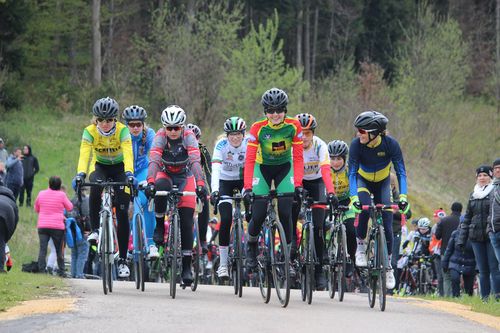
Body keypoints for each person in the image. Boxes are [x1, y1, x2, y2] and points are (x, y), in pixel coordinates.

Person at [243, 88, 304, 274]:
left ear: (285, 110)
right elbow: (250, 159)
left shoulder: (294, 125)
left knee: (286, 211)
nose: (275, 114)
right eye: (271, 110)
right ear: (265, 112)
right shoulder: (257, 128)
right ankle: (251, 247)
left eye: (279, 110)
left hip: (285, 167)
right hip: (262, 168)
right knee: (259, 212)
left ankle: (287, 258)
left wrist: (299, 184)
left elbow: (299, 157)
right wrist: (247, 187)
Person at [73, 97, 135, 278]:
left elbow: (128, 154)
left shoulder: (123, 131)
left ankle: (123, 259)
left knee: (123, 211)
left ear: (115, 119)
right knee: (95, 186)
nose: (105, 124)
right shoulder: (89, 132)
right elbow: (84, 155)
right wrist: (80, 174)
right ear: (96, 120)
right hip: (100, 167)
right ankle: (95, 230)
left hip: (120, 169)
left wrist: (130, 173)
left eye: (109, 120)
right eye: (101, 120)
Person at [348, 110, 409, 289]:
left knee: (388, 224)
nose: (358, 134)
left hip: (383, 182)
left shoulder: (391, 145)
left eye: (361, 131)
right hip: (362, 180)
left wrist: (404, 196)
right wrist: (353, 197)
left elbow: (401, 172)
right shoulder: (356, 145)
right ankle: (361, 247)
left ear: (374, 133)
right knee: (364, 207)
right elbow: (352, 172)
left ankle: (388, 266)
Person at [147, 105, 206, 286]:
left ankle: (187, 267)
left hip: (184, 176)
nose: (172, 132)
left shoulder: (189, 137)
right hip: (165, 173)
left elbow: (195, 161)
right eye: (169, 128)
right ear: (164, 127)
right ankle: (159, 226)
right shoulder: (159, 137)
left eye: (176, 128)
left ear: (183, 127)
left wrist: (201, 183)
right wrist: (150, 181)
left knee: (187, 220)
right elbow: (155, 160)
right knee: (159, 186)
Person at [290, 113, 337, 290]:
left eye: (308, 133)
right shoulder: (293, 145)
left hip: (317, 182)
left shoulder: (320, 146)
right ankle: (293, 244)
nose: (304, 137)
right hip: (298, 181)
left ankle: (318, 271)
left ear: (313, 133)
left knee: (318, 227)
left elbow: (325, 170)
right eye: (301, 133)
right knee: (291, 210)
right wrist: (295, 186)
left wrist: (331, 192)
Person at [209, 116, 247, 279]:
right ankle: (223, 265)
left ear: (243, 134)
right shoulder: (221, 146)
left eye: (238, 134)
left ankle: (251, 255)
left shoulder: (249, 144)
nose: (235, 137)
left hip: (244, 179)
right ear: (227, 135)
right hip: (224, 181)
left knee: (253, 214)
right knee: (225, 219)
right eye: (232, 134)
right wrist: (215, 191)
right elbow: (215, 170)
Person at [457, 165, 499, 301]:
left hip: (490, 234)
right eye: (479, 175)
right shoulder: (473, 194)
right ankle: (485, 298)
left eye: (485, 175)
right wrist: (461, 239)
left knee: (494, 269)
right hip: (475, 237)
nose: (482, 178)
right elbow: (468, 217)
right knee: (482, 270)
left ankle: (497, 297)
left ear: (490, 177)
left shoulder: (495, 192)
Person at [121, 105, 157, 258]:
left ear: (143, 124)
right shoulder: (120, 135)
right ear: (126, 125)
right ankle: (127, 246)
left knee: (144, 202)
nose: (135, 128)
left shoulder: (148, 134)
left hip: (142, 171)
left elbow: (156, 154)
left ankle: (150, 243)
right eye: (131, 125)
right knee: (123, 209)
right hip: (124, 171)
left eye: (138, 125)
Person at [328, 140, 358, 281]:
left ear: (344, 159)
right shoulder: (325, 170)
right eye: (332, 159)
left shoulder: (349, 170)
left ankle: (351, 258)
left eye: (339, 159)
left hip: (347, 202)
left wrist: (355, 202)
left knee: (351, 230)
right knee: (322, 227)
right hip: (329, 201)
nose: (335, 162)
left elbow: (355, 189)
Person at [34, 176, 73, 276]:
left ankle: (41, 270)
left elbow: (36, 208)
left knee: (43, 249)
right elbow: (70, 207)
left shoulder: (41, 194)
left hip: (43, 226)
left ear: (49, 184)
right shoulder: (62, 195)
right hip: (57, 227)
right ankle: (61, 270)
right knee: (58, 249)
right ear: (60, 185)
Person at [187, 123, 212, 254]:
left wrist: (213, 191)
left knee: (205, 198)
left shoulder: (202, 150)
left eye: (196, 138)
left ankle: (202, 239)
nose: (193, 140)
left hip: (198, 182)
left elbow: (209, 171)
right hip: (183, 181)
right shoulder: (179, 148)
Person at [435, 202, 462, 297]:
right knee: (460, 275)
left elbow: (437, 236)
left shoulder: (444, 220)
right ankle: (459, 296)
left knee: (446, 276)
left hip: (445, 251)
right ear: (461, 210)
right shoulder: (463, 220)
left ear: (451, 209)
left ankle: (447, 297)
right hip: (460, 252)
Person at [442, 229, 476, 297]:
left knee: (469, 287)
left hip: (470, 263)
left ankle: (468, 298)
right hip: (455, 262)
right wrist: (445, 263)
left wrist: (478, 266)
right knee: (455, 278)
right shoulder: (455, 233)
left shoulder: (474, 234)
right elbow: (449, 249)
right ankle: (455, 296)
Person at [0, 181, 18, 272]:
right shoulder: (10, 195)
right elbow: (15, 219)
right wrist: (6, 237)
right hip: (7, 215)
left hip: (6, 213)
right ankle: (0, 268)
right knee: (1, 242)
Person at [488, 158, 500, 264]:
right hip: (494, 232)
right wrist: (490, 229)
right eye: (495, 168)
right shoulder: (493, 187)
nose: (498, 170)